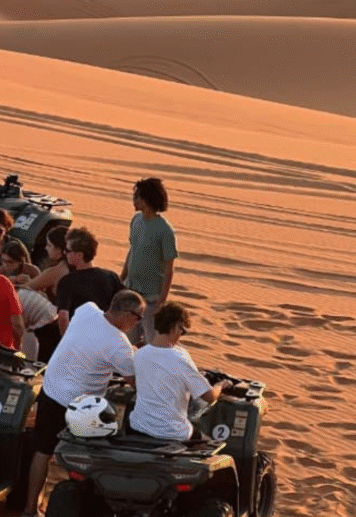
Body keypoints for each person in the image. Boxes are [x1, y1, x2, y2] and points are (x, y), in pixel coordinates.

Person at [22, 290, 144, 517]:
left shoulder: (86, 309)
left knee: (42, 451)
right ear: (128, 314)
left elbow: (91, 341)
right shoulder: (119, 345)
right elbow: (137, 383)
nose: (138, 322)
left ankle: (30, 509)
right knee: (91, 459)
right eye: (138, 317)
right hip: (80, 407)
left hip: (51, 390)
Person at [129, 302, 231, 441]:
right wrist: (221, 385)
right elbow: (209, 397)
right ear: (174, 328)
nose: (180, 335)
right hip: (171, 432)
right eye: (182, 331)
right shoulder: (180, 357)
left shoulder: (139, 354)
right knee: (211, 444)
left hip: (139, 425)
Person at [120, 178, 178, 345]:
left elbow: (169, 268)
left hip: (152, 299)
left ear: (147, 199)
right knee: (127, 341)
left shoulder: (165, 230)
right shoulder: (136, 220)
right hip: (132, 293)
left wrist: (162, 300)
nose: (134, 200)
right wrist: (121, 278)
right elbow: (133, 250)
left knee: (152, 341)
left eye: (137, 197)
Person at [55, 226, 124, 334]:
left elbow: (63, 316)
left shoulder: (67, 281)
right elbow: (124, 306)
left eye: (68, 250)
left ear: (79, 255)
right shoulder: (111, 276)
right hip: (104, 336)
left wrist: (67, 341)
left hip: (80, 336)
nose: (64, 253)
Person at [0, 240, 58, 362]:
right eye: (3, 260)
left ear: (20, 261)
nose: (6, 265)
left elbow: (43, 296)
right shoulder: (1, 271)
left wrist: (29, 284)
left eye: (10, 262)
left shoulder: (32, 270)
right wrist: (9, 282)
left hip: (31, 314)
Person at [24, 225, 71, 302]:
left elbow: (26, 287)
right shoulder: (76, 265)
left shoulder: (56, 271)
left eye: (49, 245)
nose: (46, 248)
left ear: (59, 249)